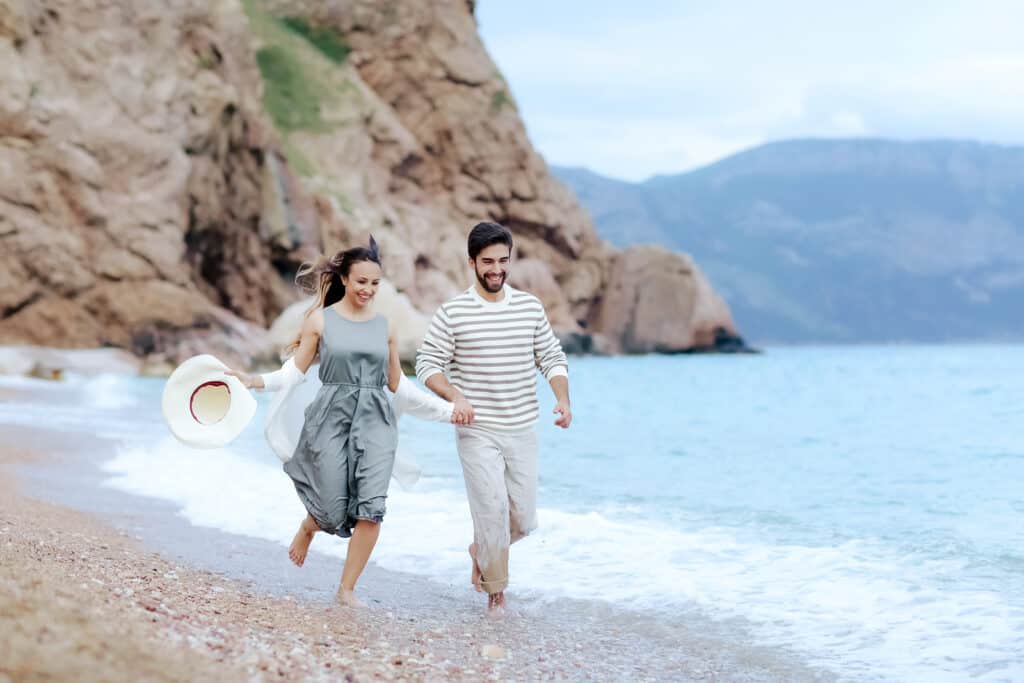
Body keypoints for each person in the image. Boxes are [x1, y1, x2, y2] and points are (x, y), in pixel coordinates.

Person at [227, 237, 407, 607]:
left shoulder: (386, 326)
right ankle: (310, 525)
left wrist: (448, 407)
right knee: (331, 510)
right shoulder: (320, 320)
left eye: (375, 283)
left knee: (371, 508)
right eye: (361, 282)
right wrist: (256, 381)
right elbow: (295, 372)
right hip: (331, 419)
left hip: (376, 422)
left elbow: (396, 383)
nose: (369, 290)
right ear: (343, 278)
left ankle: (346, 589)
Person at [416, 221, 572, 610]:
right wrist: (456, 397)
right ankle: (496, 597)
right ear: (472, 262)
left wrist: (563, 399)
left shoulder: (529, 307)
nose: (497, 269)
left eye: (503, 260)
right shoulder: (454, 312)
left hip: (523, 427)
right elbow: (426, 365)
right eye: (488, 261)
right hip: (477, 430)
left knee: (523, 521)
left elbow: (551, 356)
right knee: (492, 511)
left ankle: (481, 551)